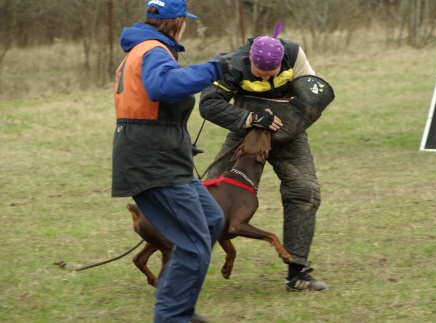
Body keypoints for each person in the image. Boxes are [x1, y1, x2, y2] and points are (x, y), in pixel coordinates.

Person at [111, 0, 232, 322]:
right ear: (176, 22)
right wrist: (214, 69)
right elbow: (161, 86)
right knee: (193, 241)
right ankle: (172, 316)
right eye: (185, 21)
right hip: (151, 159)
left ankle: (178, 308)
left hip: (162, 153)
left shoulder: (145, 48)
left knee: (210, 220)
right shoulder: (152, 50)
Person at [199, 23, 328, 292]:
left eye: (273, 74)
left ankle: (298, 272)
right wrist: (250, 118)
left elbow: (312, 97)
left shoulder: (294, 55)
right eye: (261, 74)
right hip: (247, 130)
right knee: (210, 194)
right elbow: (208, 104)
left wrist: (289, 125)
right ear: (250, 61)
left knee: (305, 190)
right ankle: (188, 264)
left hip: (288, 131)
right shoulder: (234, 64)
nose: (268, 79)